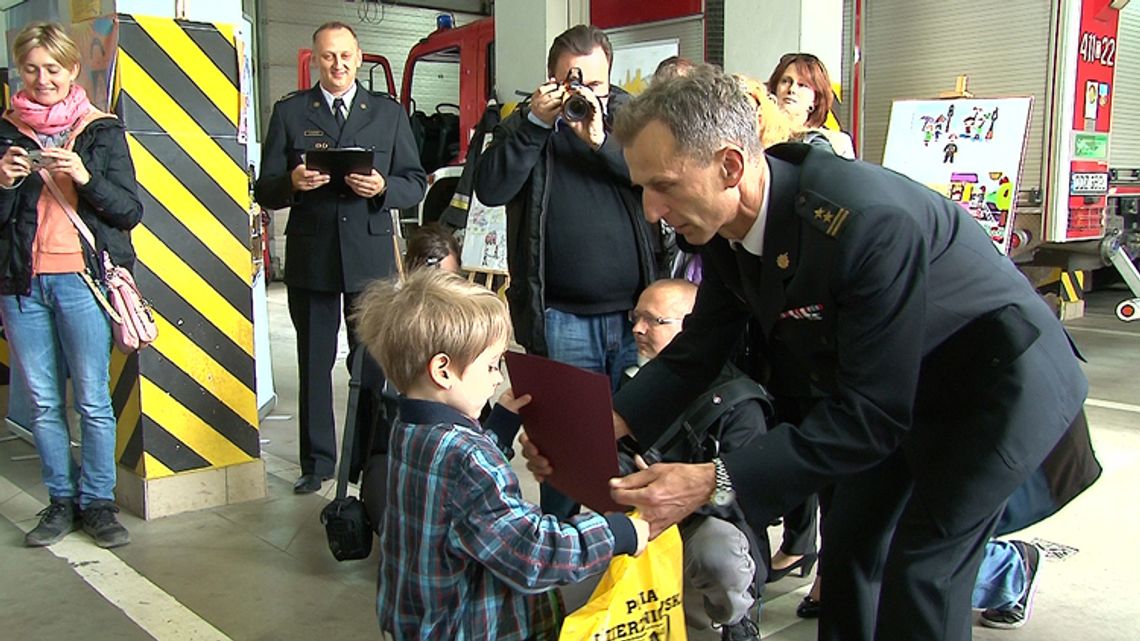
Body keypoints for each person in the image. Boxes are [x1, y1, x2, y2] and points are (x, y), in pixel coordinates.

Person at [523, 65, 1089, 641]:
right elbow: (699, 349)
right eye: (643, 186)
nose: (649, 209)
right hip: (898, 384)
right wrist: (600, 428)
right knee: (851, 545)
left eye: (663, 185)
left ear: (730, 166)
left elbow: (872, 415)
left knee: (922, 566)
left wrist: (714, 478)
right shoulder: (725, 225)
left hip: (995, 385)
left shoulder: (865, 224)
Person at [355, 269, 648, 641]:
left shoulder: (408, 427)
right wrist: (615, 532)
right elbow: (533, 553)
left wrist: (503, 424)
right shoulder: (468, 460)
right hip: (472, 627)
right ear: (443, 370)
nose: (498, 379)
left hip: (420, 620)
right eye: (492, 365)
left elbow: (459, 500)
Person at [474, 24, 669, 517]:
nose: (583, 93)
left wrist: (601, 139)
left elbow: (658, 184)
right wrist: (536, 126)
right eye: (571, 83)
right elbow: (491, 188)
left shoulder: (633, 117)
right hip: (560, 316)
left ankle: (630, 544)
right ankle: (558, 548)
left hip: (634, 315)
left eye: (596, 84)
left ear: (611, 79)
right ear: (550, 80)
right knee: (561, 445)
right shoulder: (522, 121)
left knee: (638, 434)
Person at [255, 21, 426, 494]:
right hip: (314, 258)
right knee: (313, 361)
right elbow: (264, 189)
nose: (338, 64)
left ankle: (367, 458)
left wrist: (384, 188)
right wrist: (291, 183)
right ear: (315, 59)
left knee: (370, 365)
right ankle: (318, 462)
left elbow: (415, 180)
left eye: (346, 56)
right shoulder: (291, 113)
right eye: (328, 56)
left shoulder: (387, 115)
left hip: (370, 260)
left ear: (359, 57)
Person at [0, 22, 142, 548]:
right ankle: (60, 502)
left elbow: (130, 211)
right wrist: (4, 182)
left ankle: (98, 504)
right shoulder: (6, 130)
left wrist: (84, 176)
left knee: (92, 400)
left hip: (84, 282)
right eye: (32, 69)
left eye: (53, 69)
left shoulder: (101, 129)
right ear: (20, 71)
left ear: (73, 70)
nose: (42, 79)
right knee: (41, 402)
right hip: (20, 285)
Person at [625, 279, 769, 641]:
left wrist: (689, 491)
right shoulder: (638, 388)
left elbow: (744, 495)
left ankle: (735, 619)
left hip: (705, 523)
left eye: (653, 320)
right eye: (636, 317)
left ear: (693, 329)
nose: (637, 329)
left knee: (716, 549)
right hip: (644, 514)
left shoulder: (740, 402)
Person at [765, 52, 854, 158]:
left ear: (815, 99)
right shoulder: (757, 134)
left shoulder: (836, 142)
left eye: (802, 85)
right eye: (785, 81)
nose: (792, 89)